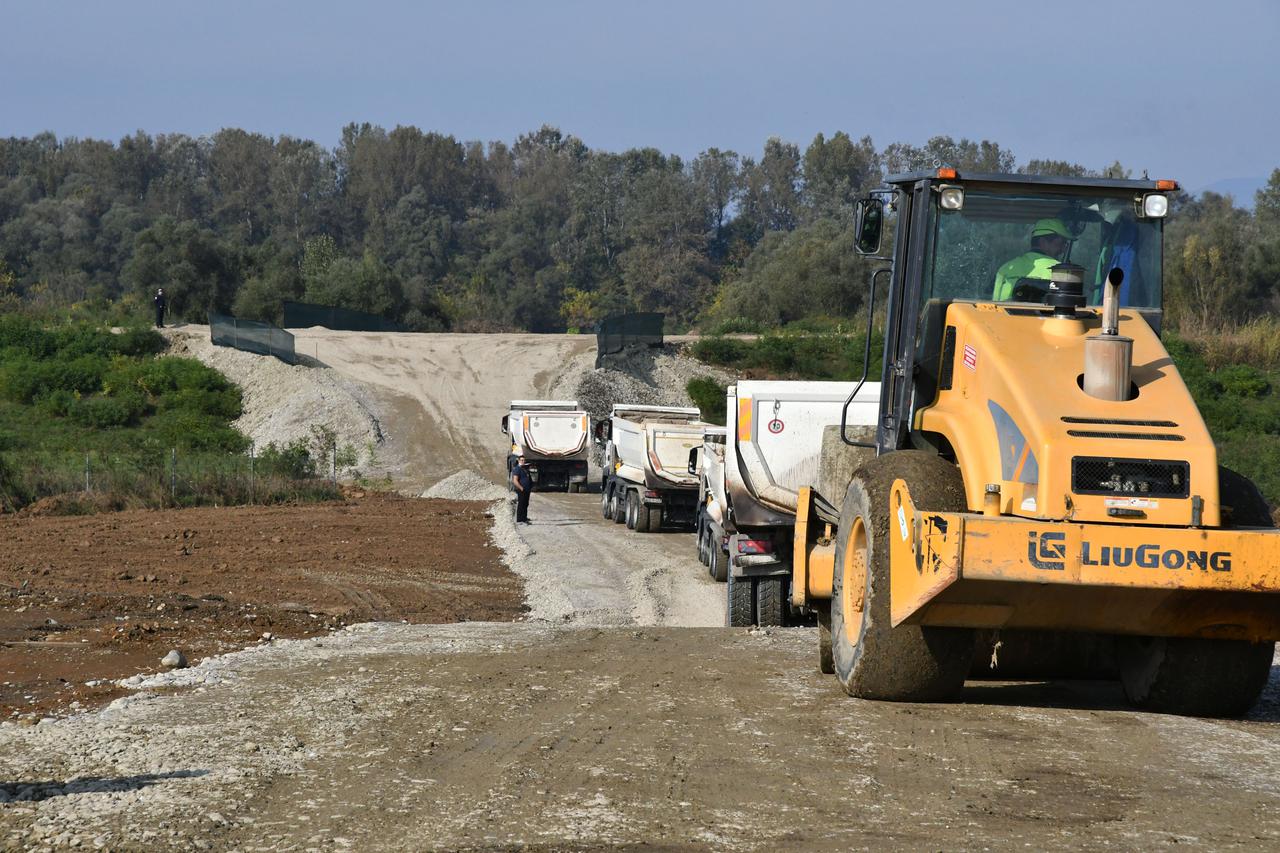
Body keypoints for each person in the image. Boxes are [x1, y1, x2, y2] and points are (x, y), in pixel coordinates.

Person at [992, 218, 1072, 301]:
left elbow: (993, 307)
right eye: (1061, 243)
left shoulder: (1005, 269)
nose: (1063, 249)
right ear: (1043, 242)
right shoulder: (1062, 272)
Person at [512, 455, 533, 524]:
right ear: (518, 460)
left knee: (526, 504)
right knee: (521, 504)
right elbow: (515, 480)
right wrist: (521, 488)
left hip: (527, 489)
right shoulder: (517, 469)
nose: (523, 461)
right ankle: (519, 519)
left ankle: (524, 518)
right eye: (521, 460)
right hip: (522, 490)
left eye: (524, 460)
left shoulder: (524, 468)